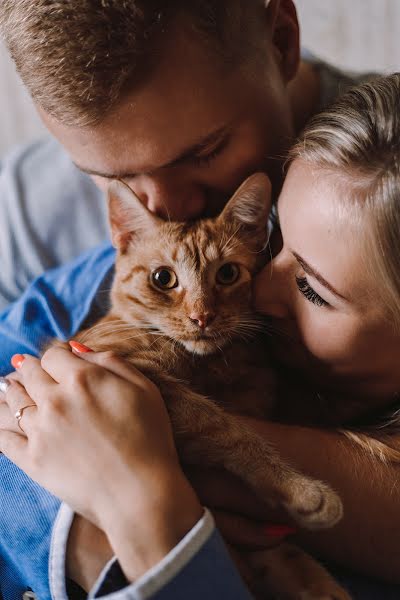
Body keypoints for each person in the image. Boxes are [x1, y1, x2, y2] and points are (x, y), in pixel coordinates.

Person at [0, 0, 398, 598]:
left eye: (203, 152)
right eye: (117, 181)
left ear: (283, 40)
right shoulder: (37, 214)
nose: (167, 208)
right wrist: (100, 536)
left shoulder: (362, 173)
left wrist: (155, 505)